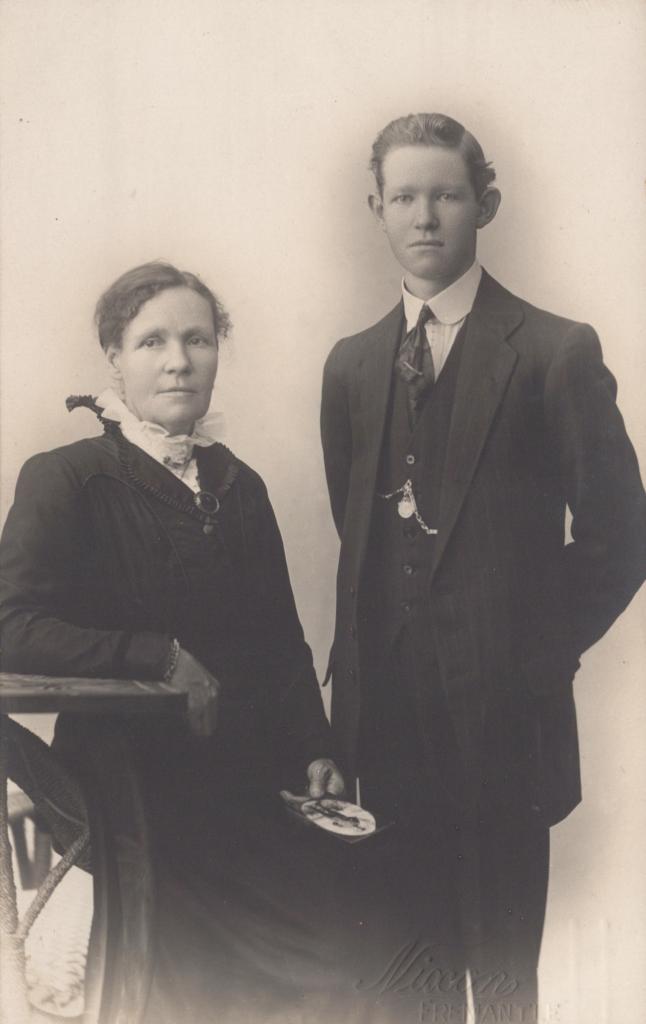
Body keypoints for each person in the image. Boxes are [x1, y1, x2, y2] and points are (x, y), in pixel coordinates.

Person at [320, 112, 646, 1021]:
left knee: (501, 979)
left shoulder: (552, 350)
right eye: (405, 197)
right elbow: (358, 535)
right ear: (378, 210)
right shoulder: (351, 366)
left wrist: (533, 649)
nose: (425, 217)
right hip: (385, 723)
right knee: (405, 976)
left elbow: (625, 531)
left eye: (447, 196)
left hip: (505, 722)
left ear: (485, 205)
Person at [0, 261, 351, 1023]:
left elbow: (281, 644)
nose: (179, 361)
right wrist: (155, 657)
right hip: (131, 788)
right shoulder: (68, 478)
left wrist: (315, 750)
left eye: (198, 339)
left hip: (248, 783)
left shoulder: (239, 485)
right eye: (152, 341)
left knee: (344, 960)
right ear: (114, 358)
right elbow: (10, 627)